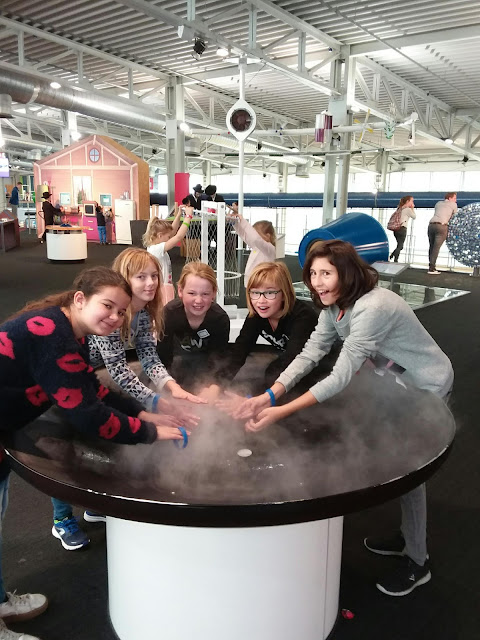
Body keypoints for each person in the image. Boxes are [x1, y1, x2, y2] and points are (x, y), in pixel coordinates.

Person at [235, 240, 453, 597]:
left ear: (346, 273)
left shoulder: (373, 307)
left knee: (411, 467)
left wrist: (281, 410)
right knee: (398, 460)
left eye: (326, 273)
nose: (317, 282)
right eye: (313, 273)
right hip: (396, 383)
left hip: (427, 385)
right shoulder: (333, 308)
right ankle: (407, 536)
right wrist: (268, 395)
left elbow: (340, 376)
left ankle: (418, 561)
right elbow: (310, 354)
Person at [0, 268, 188, 620]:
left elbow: (92, 388)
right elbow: (88, 415)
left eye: (121, 311)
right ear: (80, 299)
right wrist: (149, 433)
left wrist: (143, 414)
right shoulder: (54, 336)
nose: (115, 317)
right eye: (108, 306)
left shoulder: (71, 331)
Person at [214, 262, 320, 403]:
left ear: (284, 294)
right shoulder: (257, 315)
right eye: (255, 293)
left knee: (273, 371)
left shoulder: (303, 317)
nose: (261, 301)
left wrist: (253, 399)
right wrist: (216, 385)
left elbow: (293, 361)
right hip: (294, 368)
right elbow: (239, 351)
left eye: (270, 293)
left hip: (322, 371)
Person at [157, 262, 230, 392]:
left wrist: (213, 388)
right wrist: (169, 387)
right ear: (180, 291)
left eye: (205, 294)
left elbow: (219, 360)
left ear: (213, 293)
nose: (198, 300)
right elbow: (163, 356)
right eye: (192, 293)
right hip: (176, 364)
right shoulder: (169, 314)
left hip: (205, 368)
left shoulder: (219, 319)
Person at [142, 204, 193, 303]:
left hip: (165, 285)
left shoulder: (155, 246)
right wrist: (188, 217)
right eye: (168, 237)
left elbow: (172, 231)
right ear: (160, 235)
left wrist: (179, 215)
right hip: (162, 288)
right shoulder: (156, 249)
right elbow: (178, 237)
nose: (170, 238)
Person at [229, 205, 277, 286]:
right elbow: (244, 235)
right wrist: (234, 222)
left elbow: (255, 238)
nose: (253, 235)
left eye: (257, 233)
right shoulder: (256, 247)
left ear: (268, 236)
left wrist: (242, 220)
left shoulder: (269, 249)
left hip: (262, 284)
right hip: (251, 283)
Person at [427, 192, 457, 274]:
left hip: (431, 225)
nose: (456, 200)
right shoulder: (453, 205)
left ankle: (431, 265)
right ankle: (432, 268)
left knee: (432, 246)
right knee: (436, 248)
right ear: (450, 198)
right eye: (454, 198)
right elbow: (455, 217)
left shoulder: (438, 203)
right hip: (442, 226)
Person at [389, 195, 416, 262]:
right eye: (412, 201)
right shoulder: (408, 209)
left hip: (396, 229)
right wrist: (412, 208)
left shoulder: (399, 208)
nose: (412, 203)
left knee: (399, 245)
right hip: (402, 228)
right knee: (400, 246)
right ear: (407, 201)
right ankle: (394, 259)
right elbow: (414, 216)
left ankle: (392, 257)